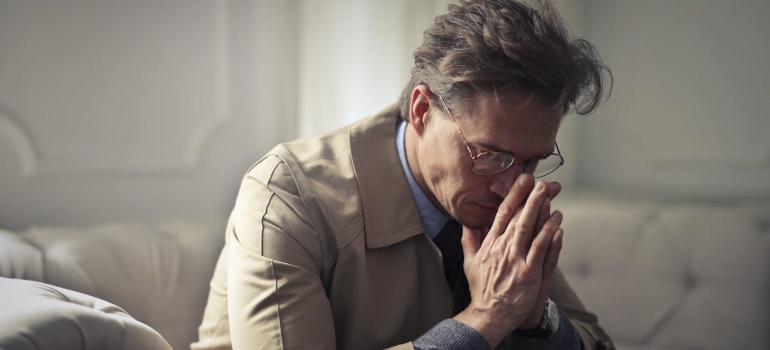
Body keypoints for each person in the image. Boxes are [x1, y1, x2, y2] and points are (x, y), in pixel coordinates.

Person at [192, 0, 614, 349]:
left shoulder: (500, 198)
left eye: (532, 161)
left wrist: (536, 319)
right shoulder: (288, 195)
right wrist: (486, 317)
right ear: (421, 110)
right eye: (489, 155)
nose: (512, 186)